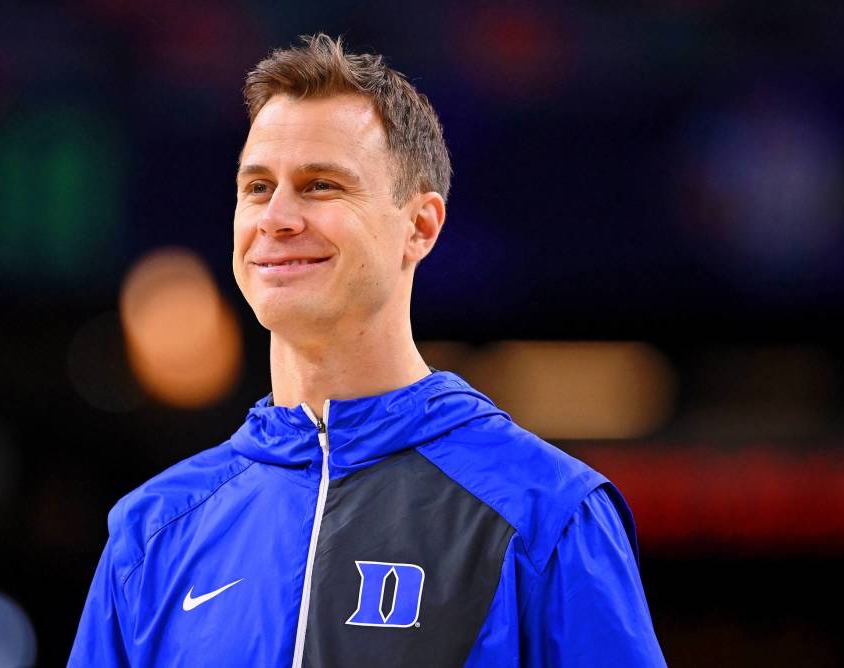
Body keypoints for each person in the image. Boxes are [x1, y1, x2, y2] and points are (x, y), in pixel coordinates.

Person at [69, 34, 666, 667]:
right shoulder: (152, 532)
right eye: (257, 187)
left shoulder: (547, 513)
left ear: (420, 226)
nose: (277, 217)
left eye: (321, 185)